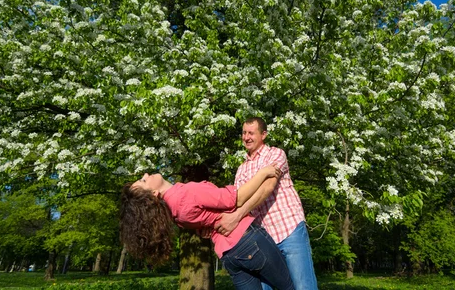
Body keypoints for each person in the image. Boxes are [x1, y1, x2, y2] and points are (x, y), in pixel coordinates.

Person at [120, 164, 295, 290]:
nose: (146, 173)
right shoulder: (186, 193)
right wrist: (264, 172)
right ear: (154, 194)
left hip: (229, 256)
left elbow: (204, 226)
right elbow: (237, 198)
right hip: (248, 241)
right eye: (144, 180)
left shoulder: (173, 213)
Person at [215, 117, 318, 290]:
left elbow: (267, 187)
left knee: (303, 286)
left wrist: (237, 215)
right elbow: (237, 200)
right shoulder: (241, 169)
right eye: (244, 133)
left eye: (251, 133)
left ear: (263, 135)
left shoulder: (276, 154)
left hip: (288, 227)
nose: (246, 137)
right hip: (263, 238)